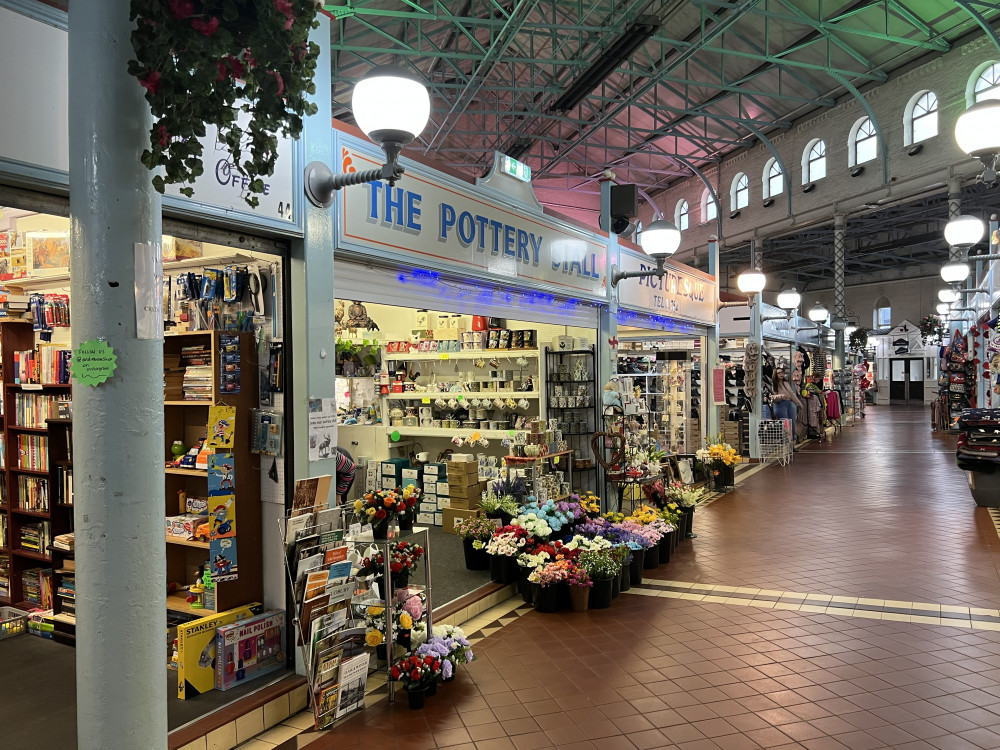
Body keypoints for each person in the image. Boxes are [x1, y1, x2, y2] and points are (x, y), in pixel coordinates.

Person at [770, 367, 804, 448]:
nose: (781, 374)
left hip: (788, 404)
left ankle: (790, 445)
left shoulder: (786, 382)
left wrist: (799, 404)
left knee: (791, 425)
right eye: (778, 373)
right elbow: (772, 397)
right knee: (785, 426)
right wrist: (781, 396)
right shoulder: (773, 384)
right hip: (780, 405)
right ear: (775, 374)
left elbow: (792, 394)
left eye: (782, 372)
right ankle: (786, 445)